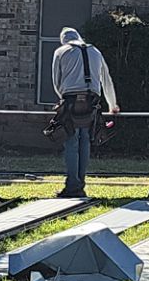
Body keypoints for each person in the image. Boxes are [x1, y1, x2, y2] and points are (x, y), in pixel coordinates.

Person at [50, 27, 119, 197]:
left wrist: (63, 99)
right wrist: (113, 104)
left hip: (71, 99)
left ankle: (72, 185)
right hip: (92, 99)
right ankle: (80, 183)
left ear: (64, 40)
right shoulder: (95, 51)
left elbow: (56, 81)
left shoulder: (61, 51)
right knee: (86, 140)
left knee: (71, 140)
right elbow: (106, 78)